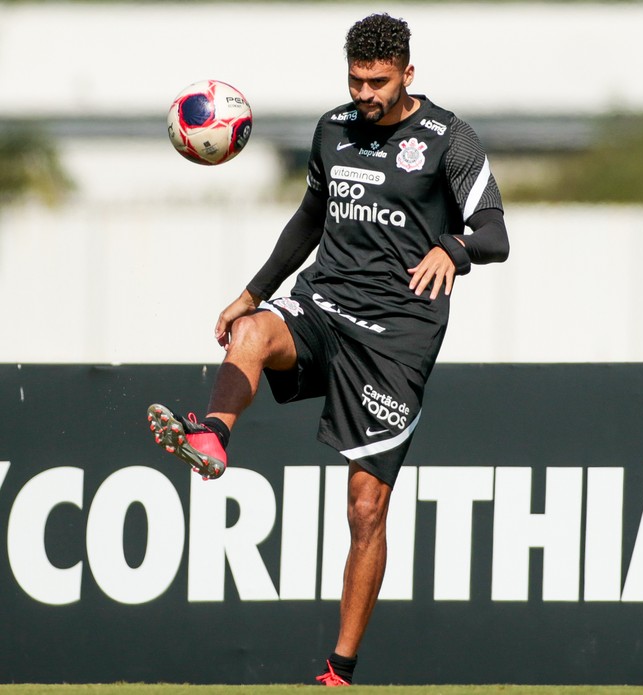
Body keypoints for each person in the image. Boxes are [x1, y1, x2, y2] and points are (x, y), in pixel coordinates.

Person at [147, 12, 508, 687]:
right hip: (322, 303)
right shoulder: (334, 129)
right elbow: (311, 217)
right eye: (355, 80)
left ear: (407, 73)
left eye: (378, 81)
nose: (365, 93)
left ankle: (339, 669)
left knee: (366, 508)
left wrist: (452, 247)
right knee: (251, 334)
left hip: (398, 337)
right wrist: (254, 290)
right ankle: (214, 438)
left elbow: (494, 233)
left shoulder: (449, 139)